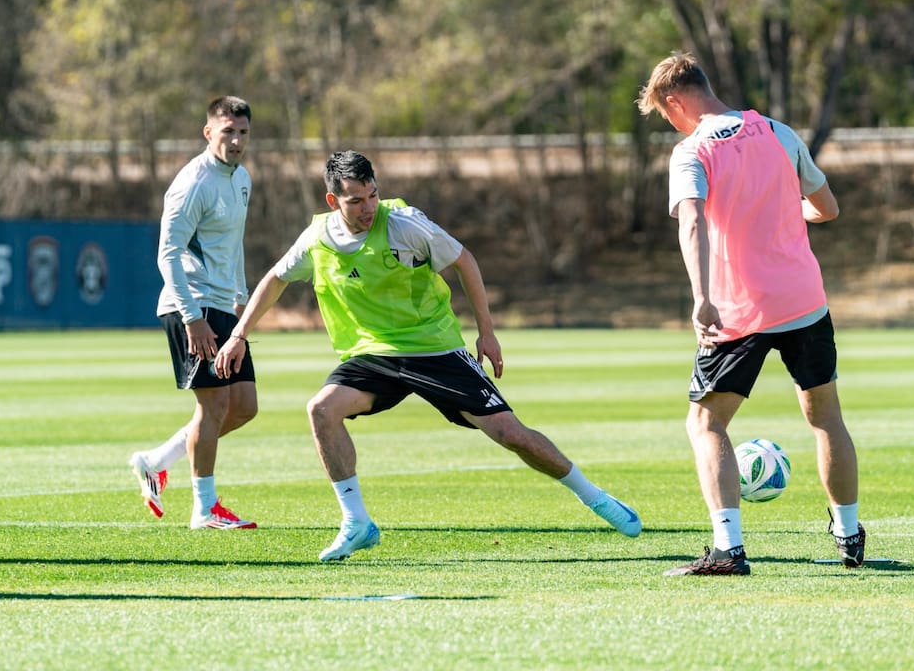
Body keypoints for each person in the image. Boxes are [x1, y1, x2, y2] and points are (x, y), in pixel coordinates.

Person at [213, 150, 643, 561]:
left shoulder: (404, 223)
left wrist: (486, 333)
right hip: (373, 354)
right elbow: (275, 278)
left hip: (434, 348)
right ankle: (356, 521)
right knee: (321, 410)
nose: (367, 208)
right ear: (333, 200)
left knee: (511, 435)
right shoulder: (318, 237)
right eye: (355, 201)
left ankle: (594, 496)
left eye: (373, 195)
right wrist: (239, 335)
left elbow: (464, 261)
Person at [637, 52, 865, 575]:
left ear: (676, 102)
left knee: (706, 422)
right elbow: (826, 208)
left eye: (664, 113)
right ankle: (850, 538)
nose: (669, 123)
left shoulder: (692, 151)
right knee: (826, 416)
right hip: (805, 301)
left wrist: (700, 296)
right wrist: (790, 213)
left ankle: (728, 549)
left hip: (738, 310)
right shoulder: (779, 132)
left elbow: (691, 223)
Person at [128, 95, 260, 530]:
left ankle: (155, 461)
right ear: (209, 133)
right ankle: (205, 508)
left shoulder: (241, 179)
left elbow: (233, 243)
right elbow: (167, 254)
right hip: (193, 304)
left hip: (223, 305)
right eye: (228, 132)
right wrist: (192, 317)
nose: (236, 140)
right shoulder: (193, 182)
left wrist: (240, 299)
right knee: (215, 405)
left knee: (244, 405)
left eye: (242, 132)